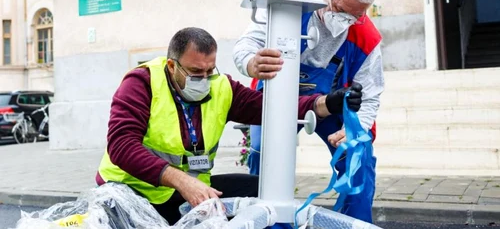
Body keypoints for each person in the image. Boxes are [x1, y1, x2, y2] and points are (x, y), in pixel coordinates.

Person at [95, 27, 363, 225]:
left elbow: (269, 109)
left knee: (263, 189)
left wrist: (326, 103)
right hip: (130, 193)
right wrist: (181, 180)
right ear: (171, 66)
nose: (204, 78)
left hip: (184, 193)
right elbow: (121, 145)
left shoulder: (221, 86)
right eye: (195, 73)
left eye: (209, 70)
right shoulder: (141, 83)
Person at [233, 0, 384, 223]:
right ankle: (265, 221)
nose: (349, 20)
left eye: (357, 15)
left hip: (329, 102)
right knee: (263, 156)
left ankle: (354, 223)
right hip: (276, 96)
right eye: (343, 11)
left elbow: (370, 93)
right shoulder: (288, 6)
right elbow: (246, 45)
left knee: (358, 154)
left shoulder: (366, 37)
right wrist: (251, 62)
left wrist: (353, 129)